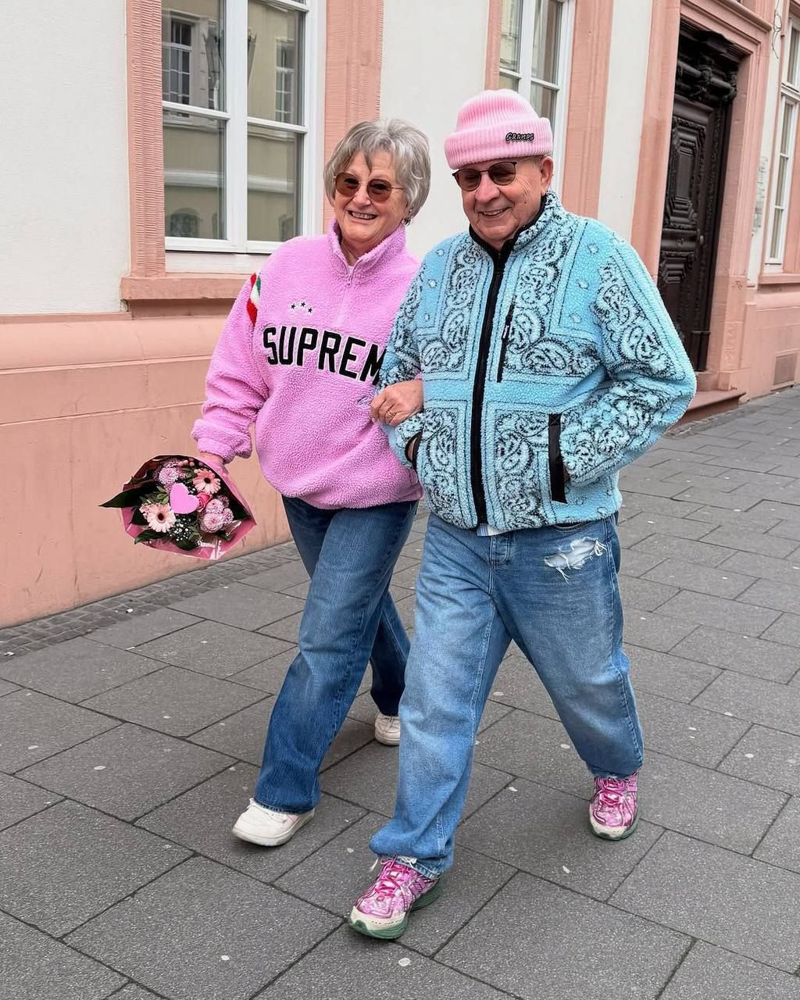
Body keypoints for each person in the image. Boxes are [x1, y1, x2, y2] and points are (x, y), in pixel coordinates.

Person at [350, 90, 696, 938]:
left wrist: (557, 458)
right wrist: (422, 446)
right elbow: (395, 376)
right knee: (434, 702)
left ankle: (616, 767)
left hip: (564, 544)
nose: (484, 191)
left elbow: (662, 379)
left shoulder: (599, 258)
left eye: (502, 172)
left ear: (543, 168)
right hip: (456, 543)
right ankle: (412, 855)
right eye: (469, 177)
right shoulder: (440, 269)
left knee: (588, 683)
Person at [192, 119, 430, 848]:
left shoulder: (427, 287)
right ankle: (400, 694)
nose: (360, 198)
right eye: (348, 182)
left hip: (377, 490)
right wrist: (216, 448)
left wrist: (422, 388)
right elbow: (240, 364)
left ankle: (284, 788)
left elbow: (462, 372)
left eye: (380, 187)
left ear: (409, 200)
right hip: (298, 484)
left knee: (328, 637)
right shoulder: (284, 267)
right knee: (356, 606)